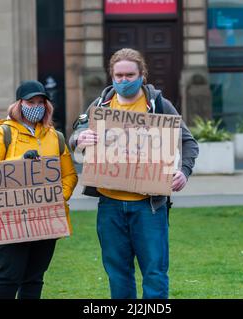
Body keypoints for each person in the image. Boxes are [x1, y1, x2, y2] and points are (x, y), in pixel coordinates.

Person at [69, 48, 199, 299]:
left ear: (142, 75)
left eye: (130, 74)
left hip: (148, 207)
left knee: (155, 272)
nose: (124, 80)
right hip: (110, 206)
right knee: (118, 273)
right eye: (118, 75)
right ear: (112, 75)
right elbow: (75, 139)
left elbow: (188, 142)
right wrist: (79, 138)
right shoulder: (99, 106)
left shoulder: (160, 105)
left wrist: (184, 172)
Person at [0, 80, 78, 299]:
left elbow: (70, 175)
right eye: (30, 101)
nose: (36, 106)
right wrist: (20, 163)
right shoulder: (3, 134)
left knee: (35, 278)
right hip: (12, 217)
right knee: (8, 277)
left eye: (40, 102)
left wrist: (57, 197)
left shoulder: (56, 136)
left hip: (47, 217)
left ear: (46, 105)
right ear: (19, 104)